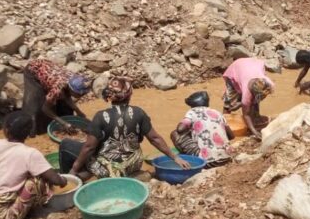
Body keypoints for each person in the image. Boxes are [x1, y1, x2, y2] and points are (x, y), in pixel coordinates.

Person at [61, 76, 189, 179]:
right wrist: (175, 157)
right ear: (129, 95)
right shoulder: (139, 113)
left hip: (108, 168)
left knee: (67, 145)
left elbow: (89, 147)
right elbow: (155, 138)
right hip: (133, 164)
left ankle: (73, 178)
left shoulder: (100, 116)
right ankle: (87, 173)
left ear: (109, 95)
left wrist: (74, 168)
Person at [0, 111, 66, 219]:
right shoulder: (30, 154)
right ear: (28, 133)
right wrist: (63, 180)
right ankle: (32, 210)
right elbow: (55, 179)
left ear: (5, 130)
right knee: (36, 181)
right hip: (0, 218)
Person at [22, 58, 90, 135]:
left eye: (83, 94)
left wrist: (78, 111)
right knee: (36, 104)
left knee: (62, 103)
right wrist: (64, 123)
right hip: (33, 70)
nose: (81, 96)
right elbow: (45, 108)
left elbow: (67, 96)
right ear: (71, 89)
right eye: (79, 94)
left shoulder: (74, 79)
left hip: (48, 70)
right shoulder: (57, 88)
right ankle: (29, 128)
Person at [171, 91, 234, 168]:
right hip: (226, 158)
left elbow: (180, 129)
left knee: (175, 134)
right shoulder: (217, 113)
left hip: (208, 162)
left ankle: (190, 161)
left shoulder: (192, 112)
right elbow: (231, 136)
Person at [222, 57, 275, 140]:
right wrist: (254, 131)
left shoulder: (268, 83)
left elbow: (258, 97)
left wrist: (246, 103)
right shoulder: (247, 93)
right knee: (230, 103)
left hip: (253, 64)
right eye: (260, 96)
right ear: (252, 92)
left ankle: (256, 117)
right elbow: (246, 115)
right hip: (236, 68)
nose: (263, 98)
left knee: (253, 102)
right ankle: (223, 124)